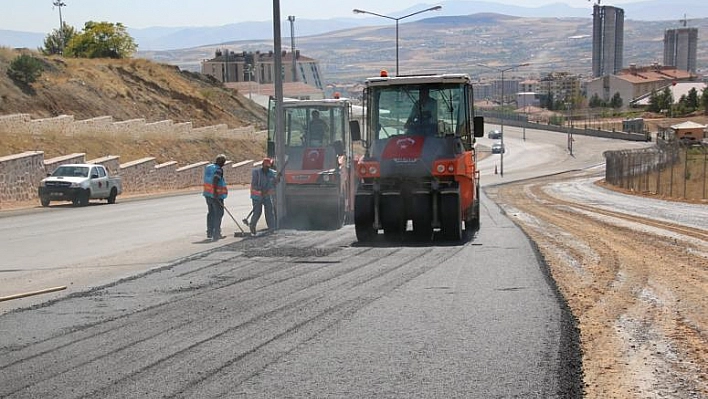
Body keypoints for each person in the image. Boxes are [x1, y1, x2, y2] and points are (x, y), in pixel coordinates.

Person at [249, 157, 280, 235]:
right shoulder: (256, 173)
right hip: (257, 196)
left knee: (269, 212)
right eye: (265, 166)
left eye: (268, 167)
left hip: (267, 196)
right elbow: (254, 185)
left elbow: (274, 183)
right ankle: (252, 226)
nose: (267, 168)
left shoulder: (271, 173)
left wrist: (278, 179)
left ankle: (271, 228)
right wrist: (262, 191)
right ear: (262, 165)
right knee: (257, 212)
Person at [203, 154, 228, 241]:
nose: (224, 164)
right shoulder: (218, 169)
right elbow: (215, 180)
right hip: (215, 195)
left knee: (211, 213)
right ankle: (216, 233)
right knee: (219, 213)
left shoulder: (209, 167)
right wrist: (215, 193)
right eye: (224, 162)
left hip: (207, 194)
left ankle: (209, 232)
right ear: (222, 162)